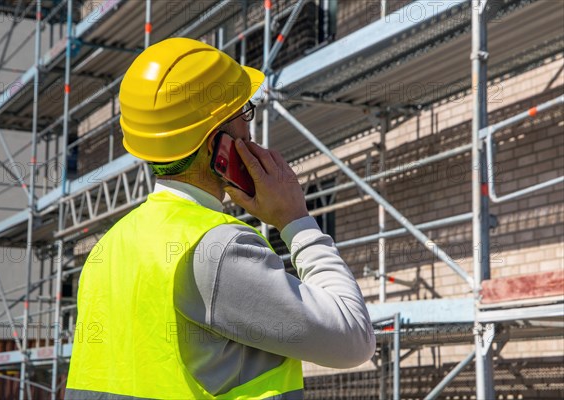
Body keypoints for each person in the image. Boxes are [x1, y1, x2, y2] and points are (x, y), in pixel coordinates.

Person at [65, 37, 375, 400]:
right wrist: (296, 220)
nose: (249, 128)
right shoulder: (218, 248)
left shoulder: (107, 249)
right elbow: (353, 337)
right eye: (244, 114)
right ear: (218, 146)